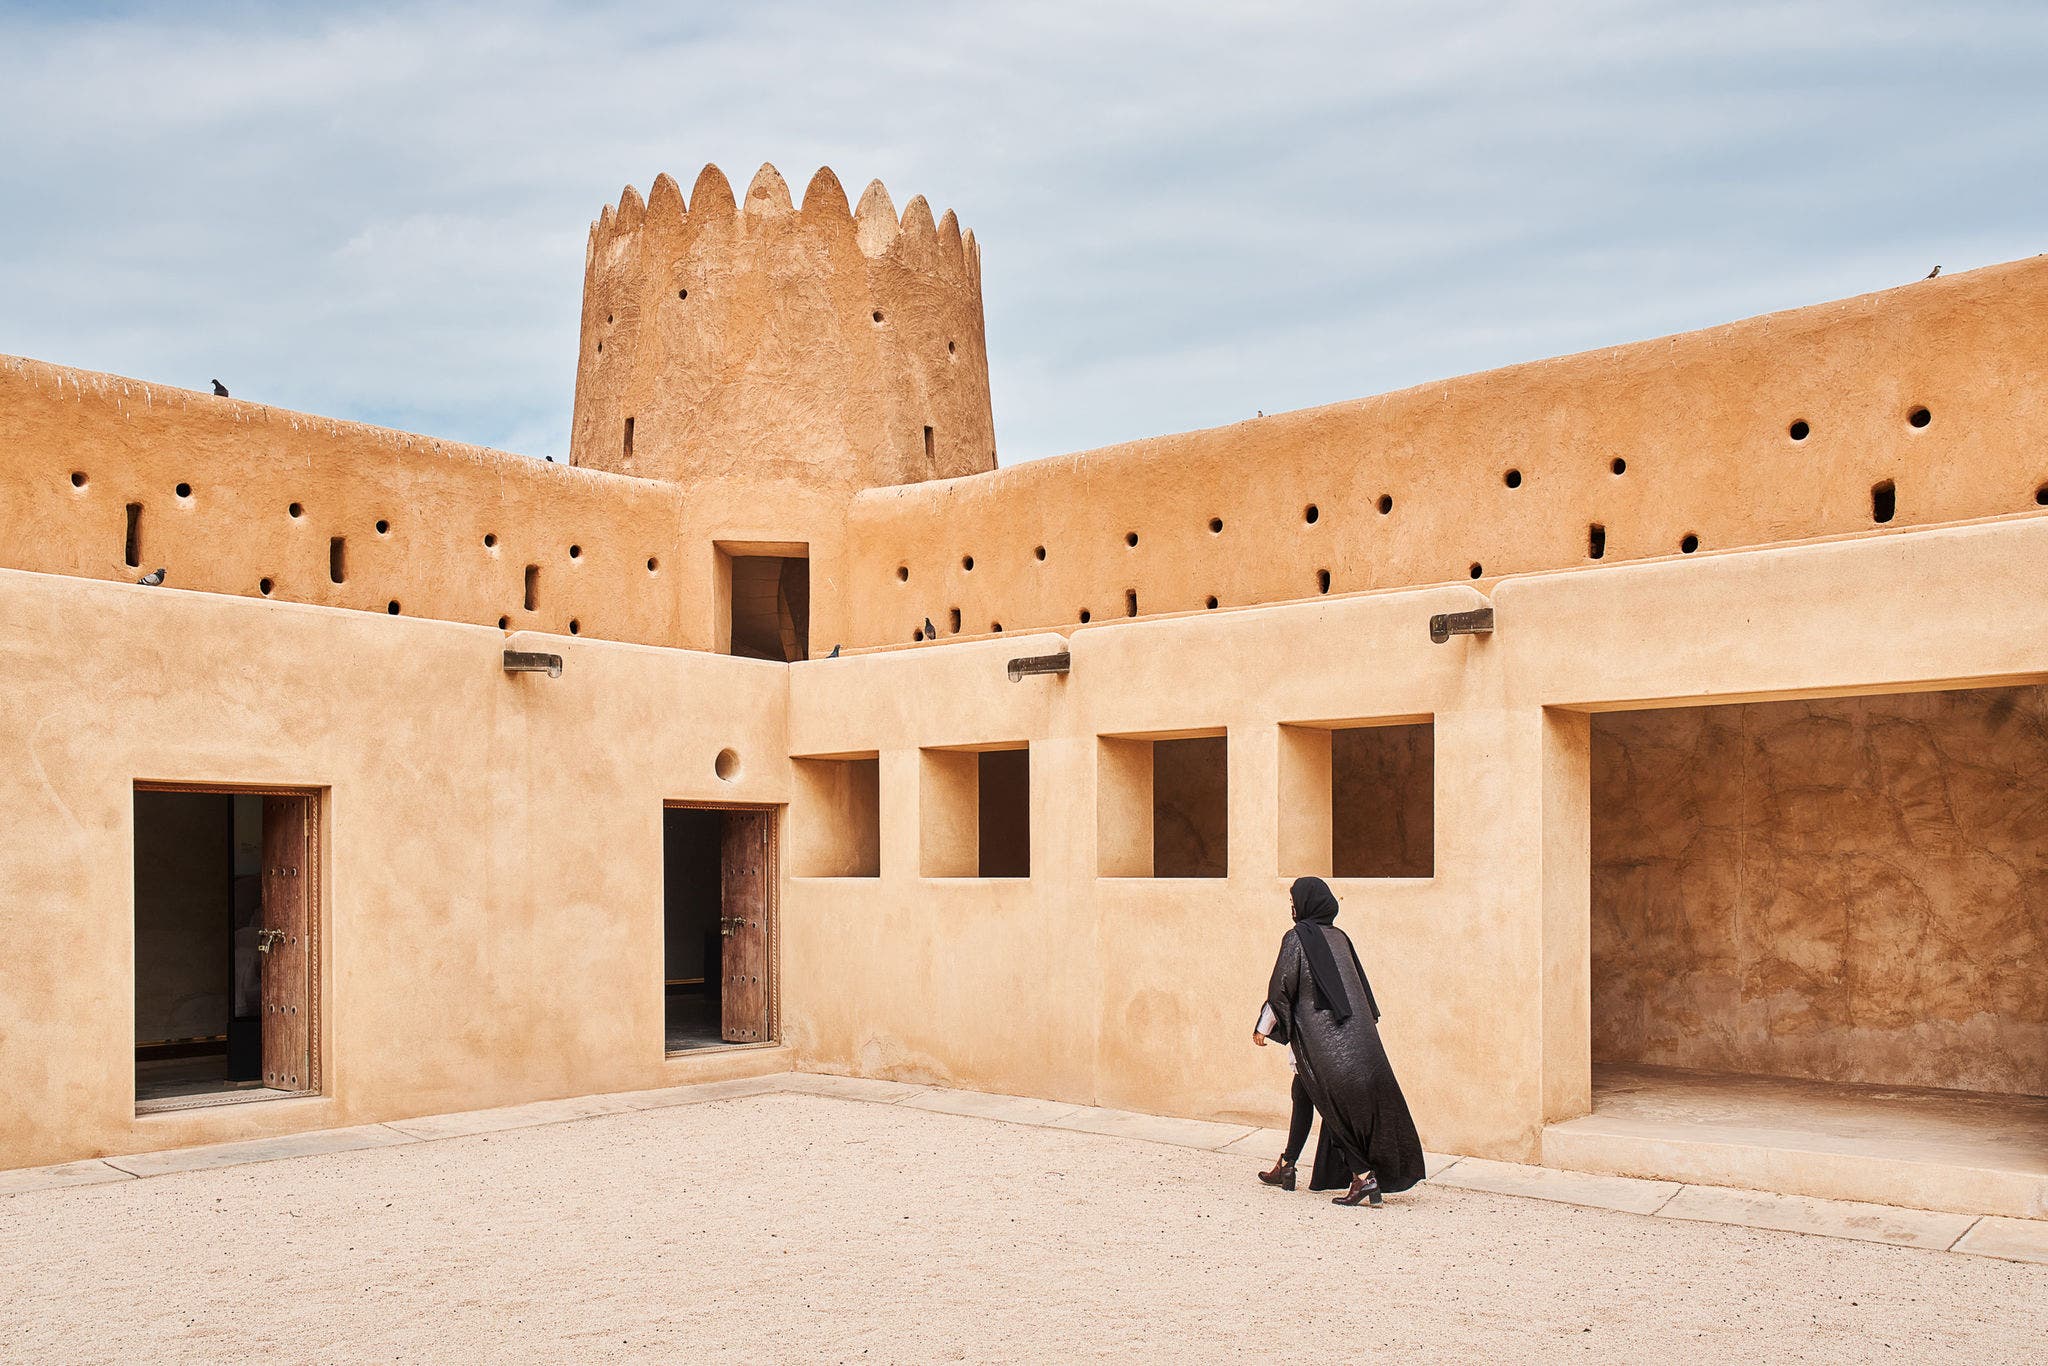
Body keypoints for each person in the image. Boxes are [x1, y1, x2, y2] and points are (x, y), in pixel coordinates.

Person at [1253, 876, 1427, 1207]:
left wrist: (1264, 1027)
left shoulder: (1297, 938)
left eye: (1294, 901)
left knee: (1329, 1103)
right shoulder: (1339, 938)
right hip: (1354, 1042)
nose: (1291, 908)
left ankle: (1363, 1177)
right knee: (1302, 1091)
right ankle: (1287, 1166)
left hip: (1323, 1044)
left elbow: (1282, 987)